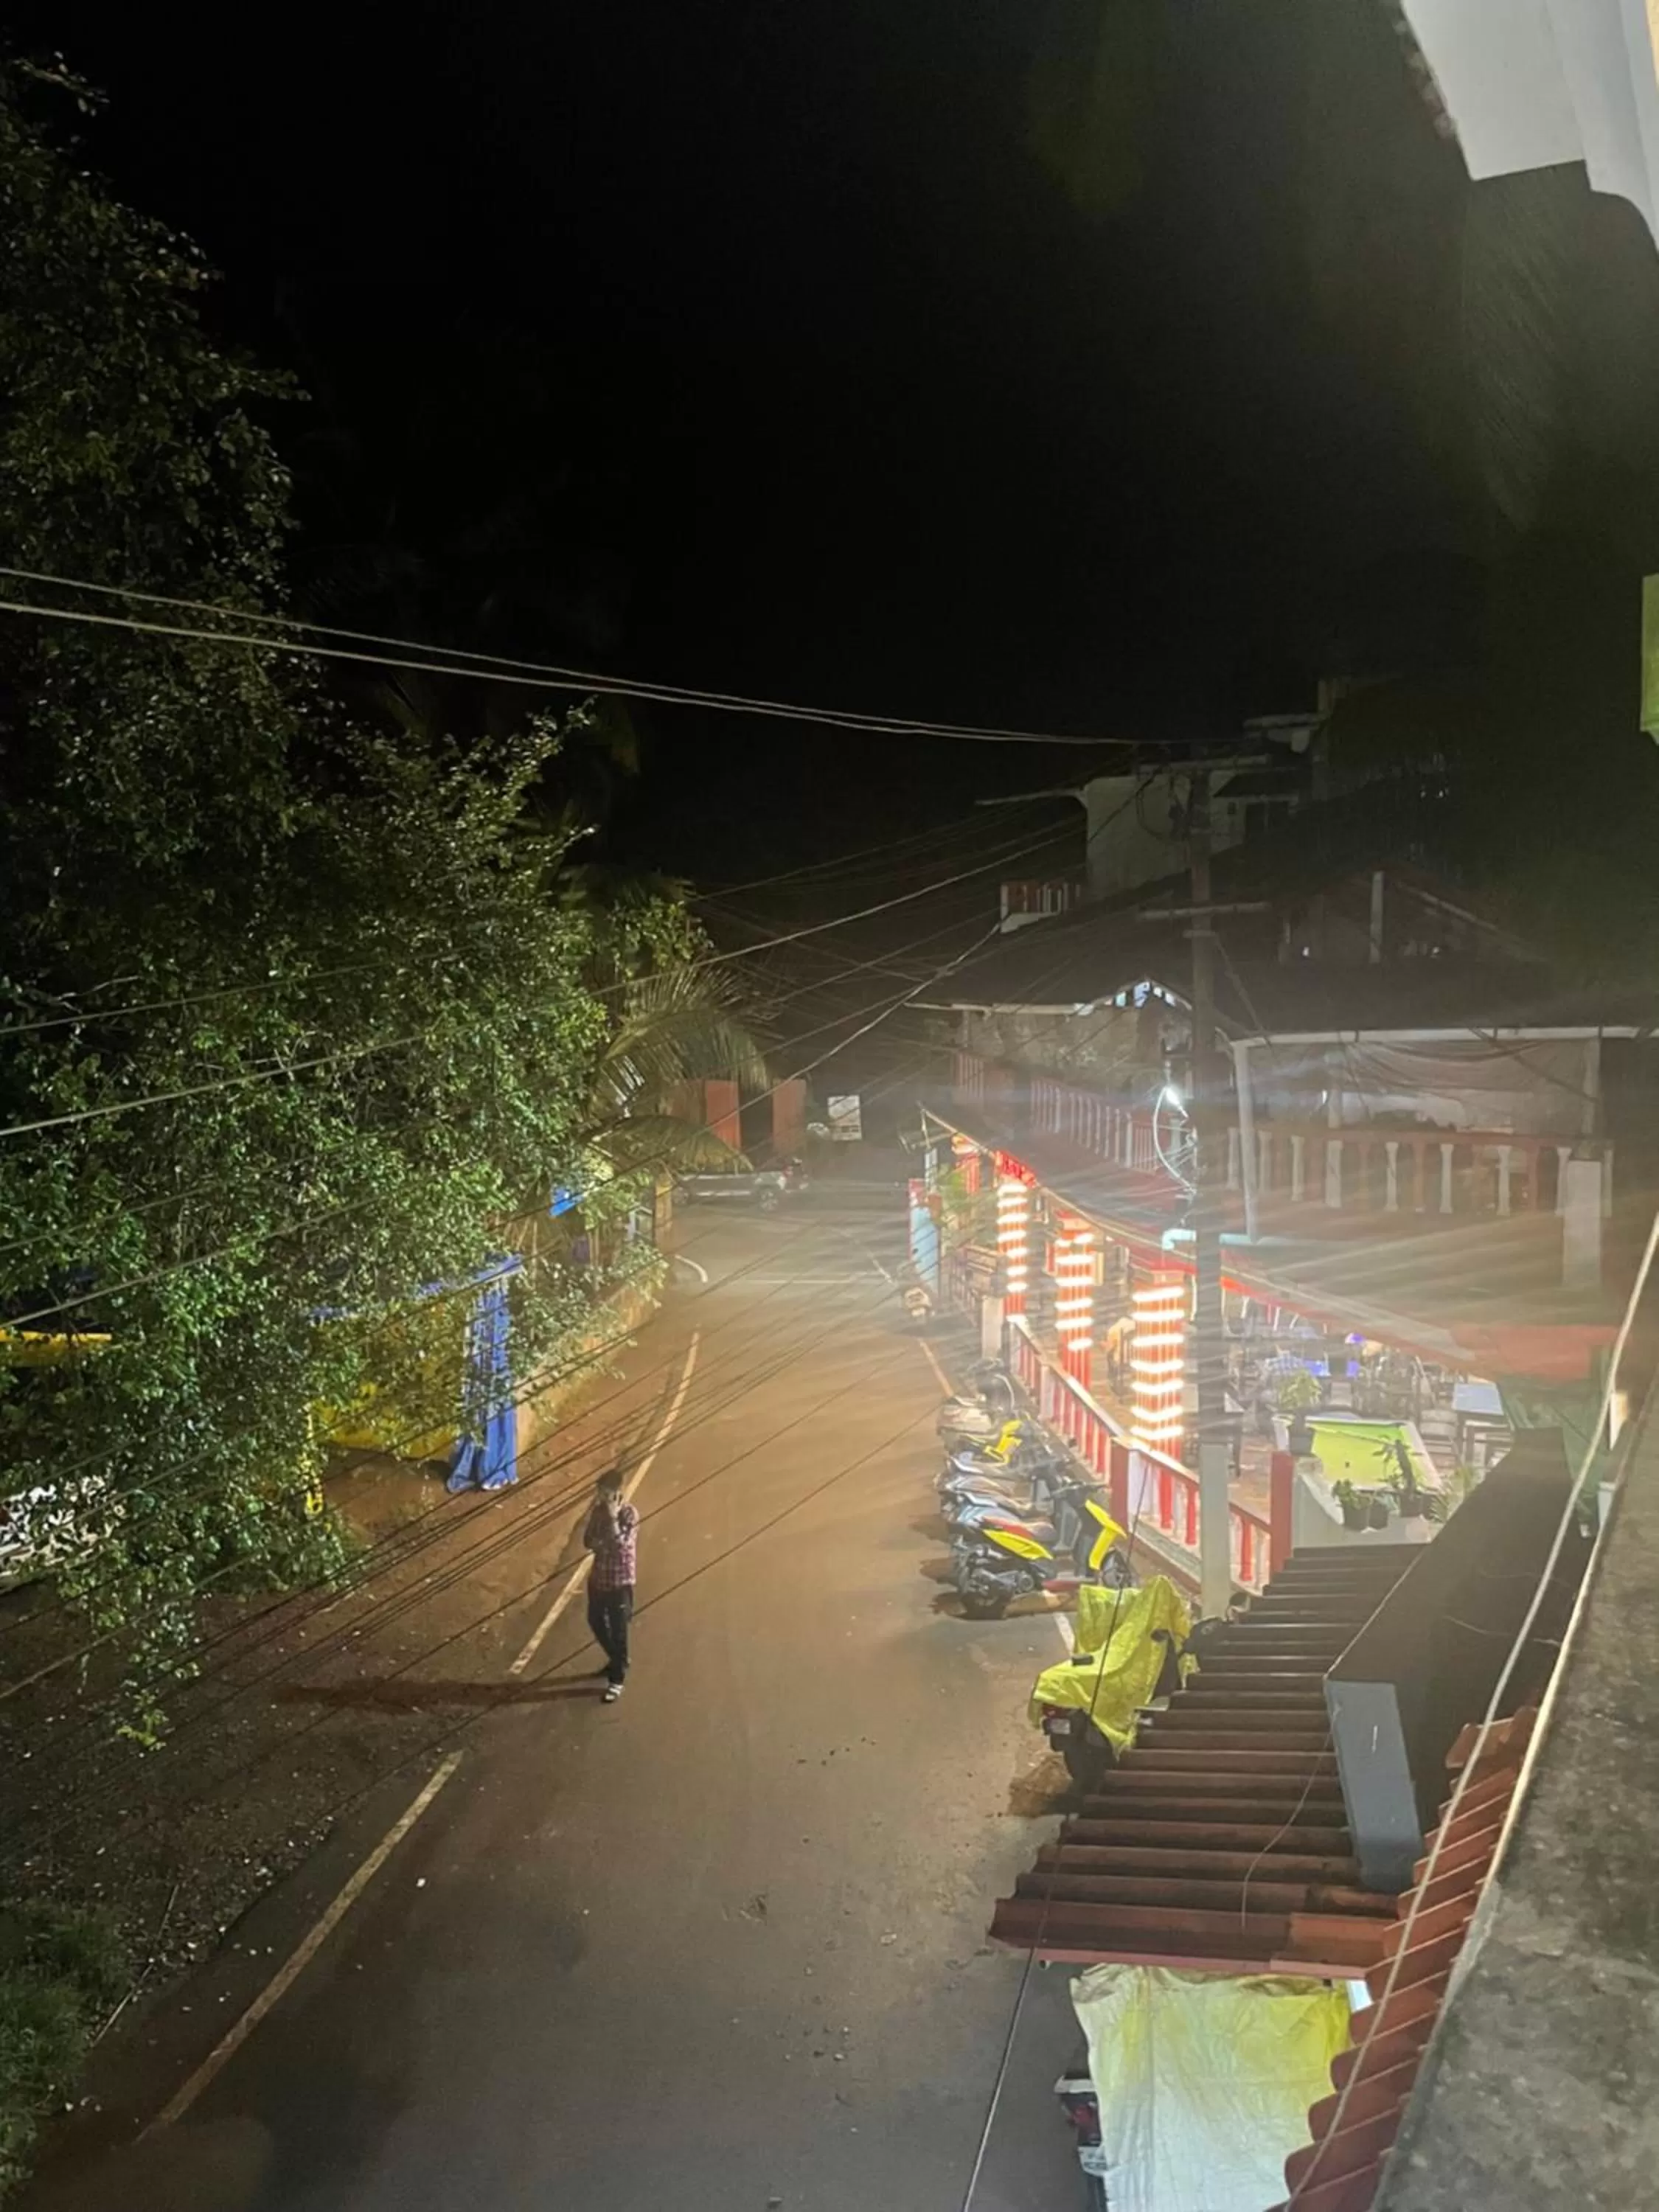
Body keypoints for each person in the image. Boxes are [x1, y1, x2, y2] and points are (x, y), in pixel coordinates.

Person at [582, 1468, 638, 1702]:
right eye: (600, 1493)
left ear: (617, 1493)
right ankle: (618, 1659)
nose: (601, 1498)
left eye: (606, 1494)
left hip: (619, 1582)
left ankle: (617, 1679)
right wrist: (599, 1542)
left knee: (619, 1631)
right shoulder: (597, 1512)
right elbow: (588, 1540)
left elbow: (619, 1547)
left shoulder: (629, 1514)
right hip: (599, 1579)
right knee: (595, 1621)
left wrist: (612, 1518)